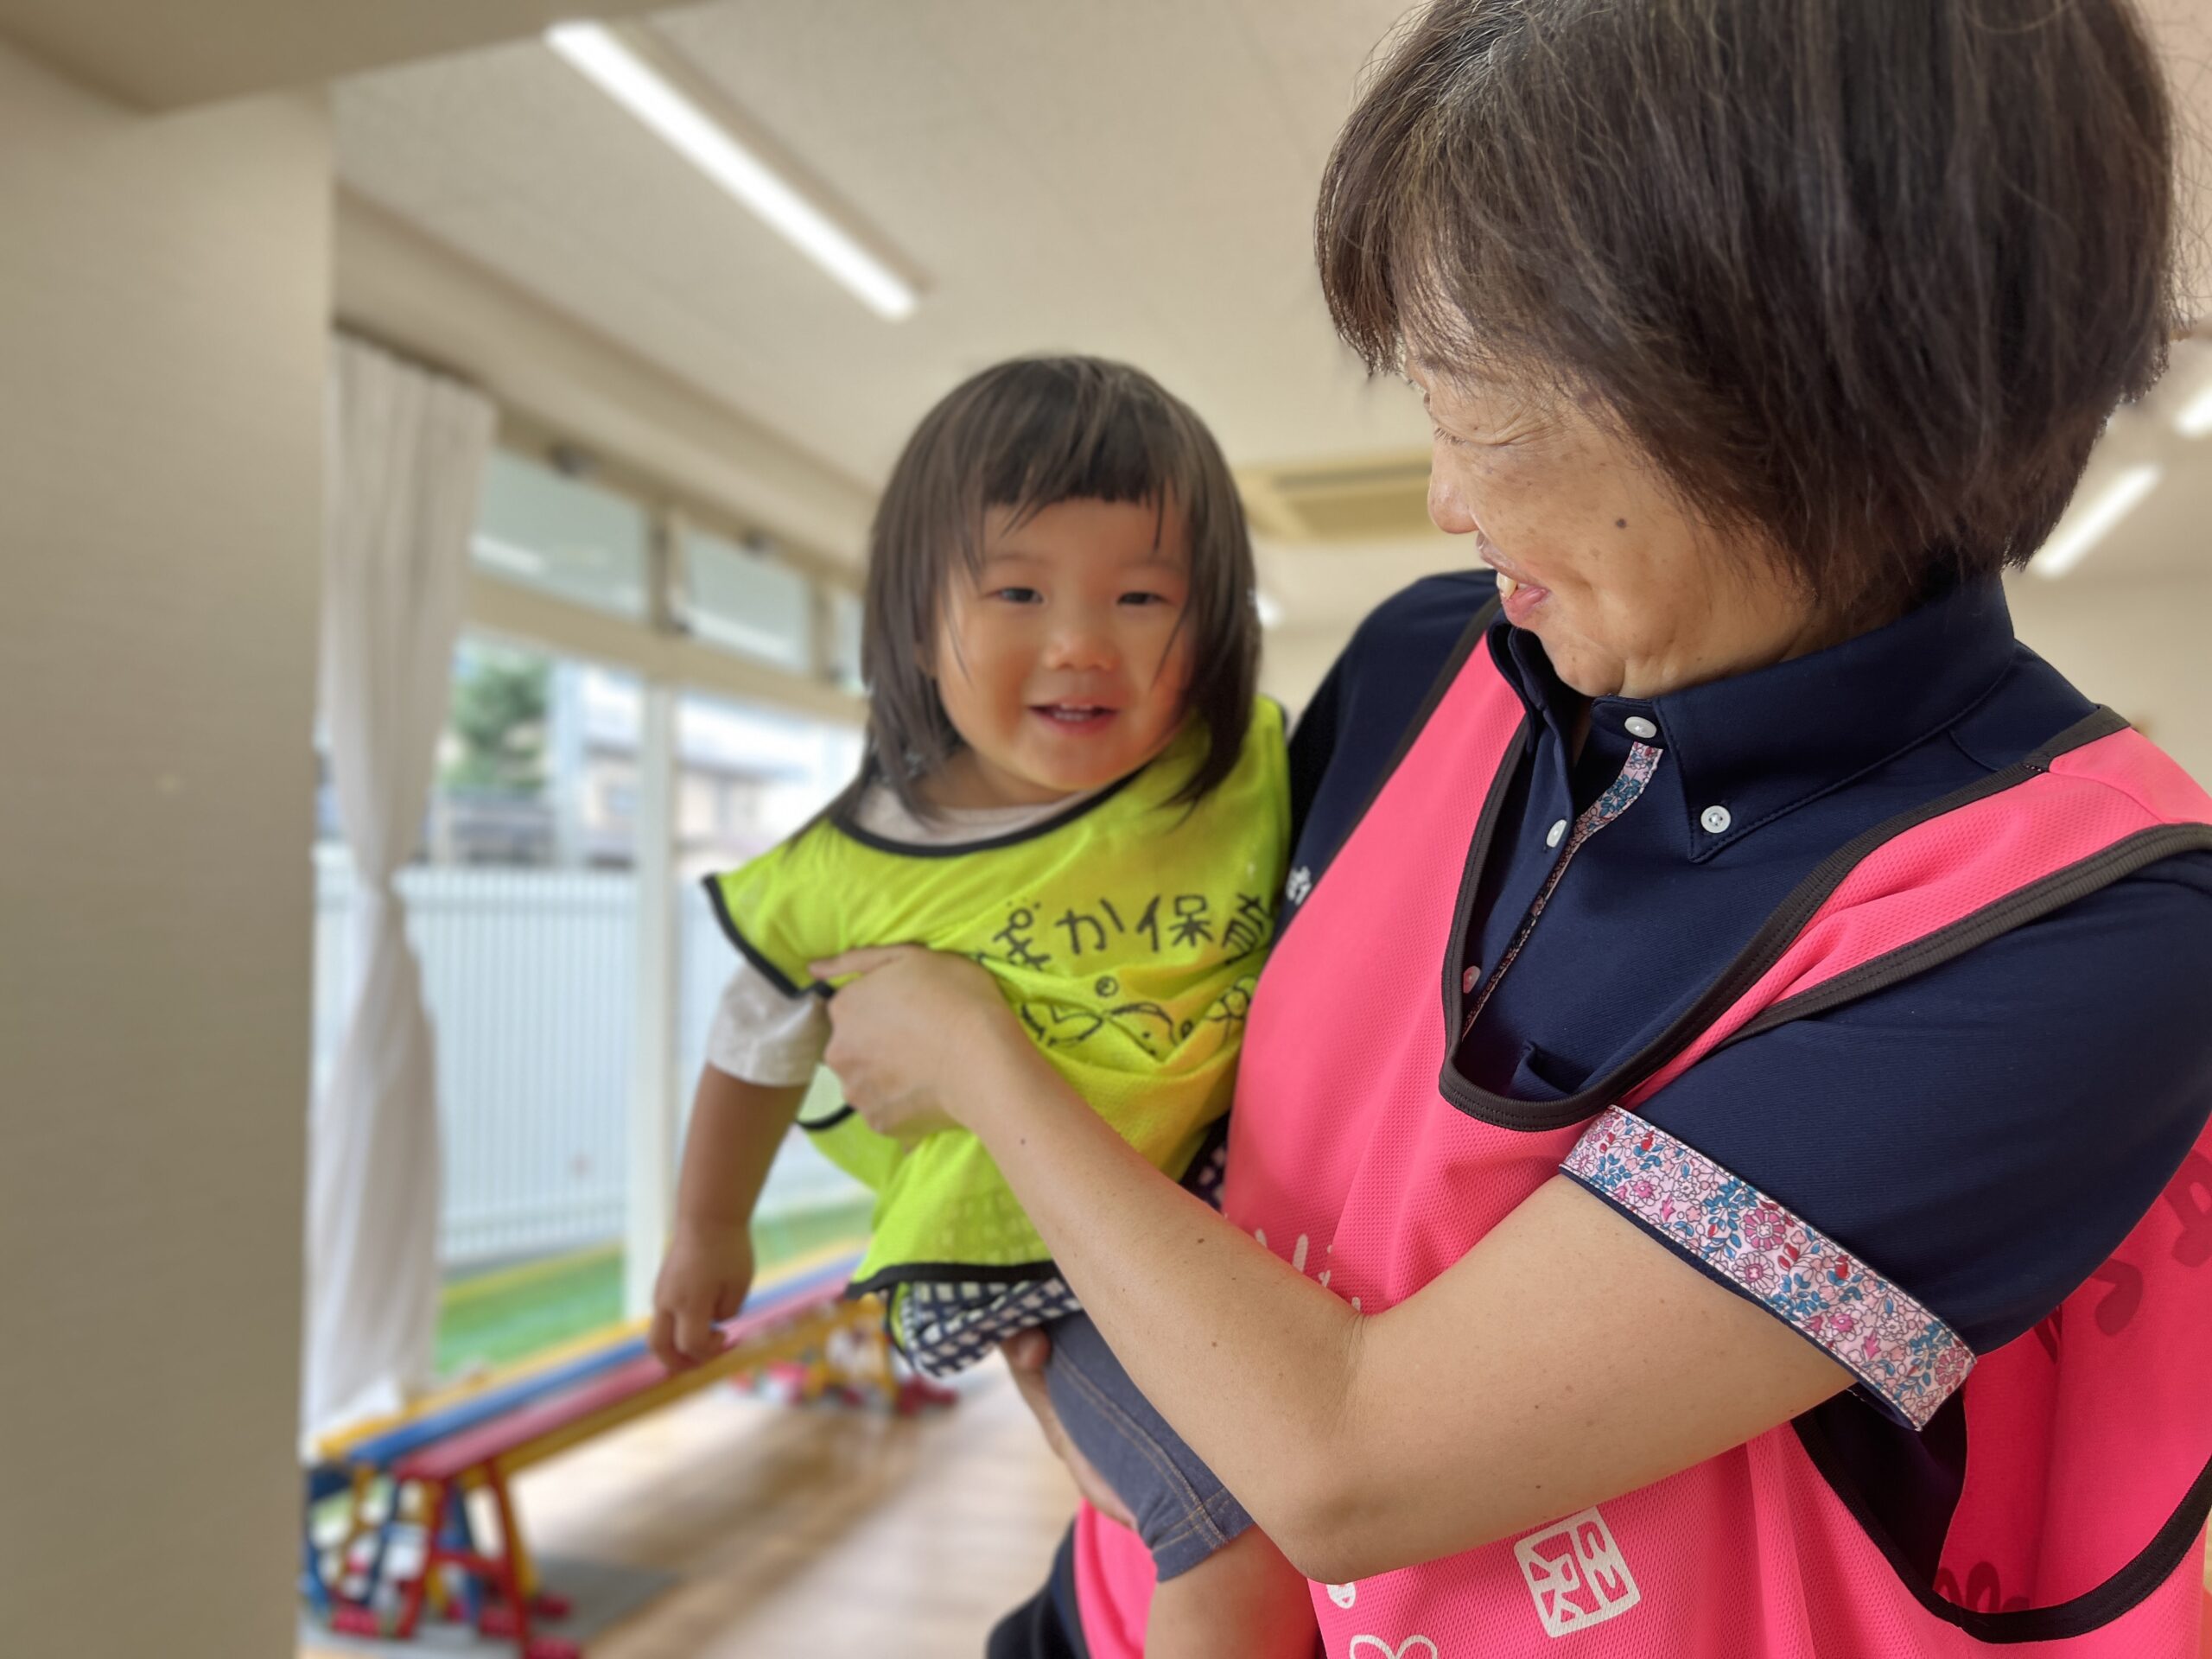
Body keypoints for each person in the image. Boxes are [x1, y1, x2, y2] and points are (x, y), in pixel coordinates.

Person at [813, 3, 2212, 1655]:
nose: (1445, 497)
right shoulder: (1427, 658)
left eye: (1476, 399)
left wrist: (977, 1064)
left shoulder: (2078, 916)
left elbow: (1351, 1461)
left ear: (1788, 377)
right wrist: (1100, 1416)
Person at [650, 355, 1316, 1657]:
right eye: (1018, 592)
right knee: (1235, 1518)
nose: (1081, 643)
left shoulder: (1240, 768)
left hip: (1227, 1201)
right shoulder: (854, 868)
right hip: (1035, 1257)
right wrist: (705, 1226)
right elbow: (753, 1043)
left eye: (1141, 597)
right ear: (915, 622)